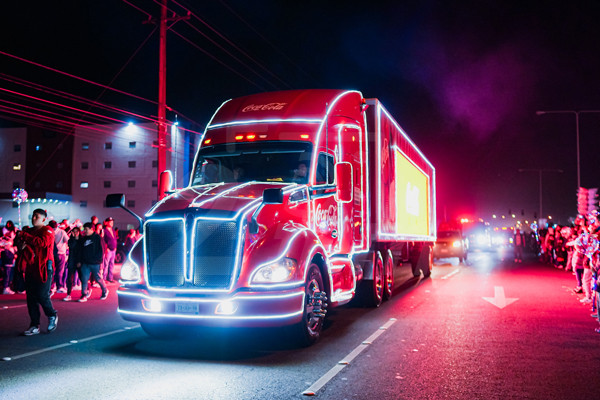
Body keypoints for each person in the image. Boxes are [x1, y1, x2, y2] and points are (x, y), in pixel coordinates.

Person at [15, 209, 58, 335]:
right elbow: (21, 247)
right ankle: (34, 325)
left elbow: (42, 243)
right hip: (30, 267)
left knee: (42, 295)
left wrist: (25, 236)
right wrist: (20, 242)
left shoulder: (48, 230)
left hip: (44, 267)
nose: (33, 218)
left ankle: (52, 315)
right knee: (31, 298)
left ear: (44, 219)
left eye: (36, 216)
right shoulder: (28, 231)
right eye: (33, 216)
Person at [76, 222, 108, 302]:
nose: (85, 231)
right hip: (85, 263)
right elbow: (80, 251)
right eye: (84, 229)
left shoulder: (98, 238)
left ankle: (104, 290)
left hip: (95, 263)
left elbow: (101, 251)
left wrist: (98, 261)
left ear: (91, 229)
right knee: (84, 279)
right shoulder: (84, 238)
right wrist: (80, 260)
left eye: (86, 229)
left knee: (98, 278)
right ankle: (83, 295)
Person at [48, 220, 69, 293]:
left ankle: (51, 287)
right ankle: (59, 287)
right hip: (61, 253)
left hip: (51, 254)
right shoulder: (62, 232)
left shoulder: (48, 232)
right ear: (57, 225)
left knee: (51, 271)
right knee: (60, 271)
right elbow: (67, 241)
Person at [63, 227, 82, 302]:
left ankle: (85, 292)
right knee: (69, 278)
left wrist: (81, 261)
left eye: (77, 231)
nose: (75, 233)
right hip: (72, 261)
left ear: (79, 232)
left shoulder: (82, 240)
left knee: (82, 277)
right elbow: (71, 246)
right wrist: (74, 238)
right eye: (74, 232)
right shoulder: (71, 240)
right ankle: (68, 294)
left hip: (80, 261)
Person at [102, 217, 117, 283]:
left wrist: (115, 247)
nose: (112, 223)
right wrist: (106, 248)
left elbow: (115, 239)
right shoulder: (104, 230)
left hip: (113, 249)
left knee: (112, 264)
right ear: (107, 222)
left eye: (112, 222)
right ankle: (104, 278)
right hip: (108, 250)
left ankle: (110, 278)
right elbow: (103, 240)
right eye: (110, 222)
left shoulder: (113, 230)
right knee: (106, 264)